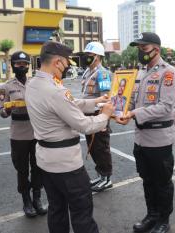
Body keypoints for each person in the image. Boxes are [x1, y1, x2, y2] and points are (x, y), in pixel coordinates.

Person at [25, 41, 115, 233]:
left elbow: (70, 104)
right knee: (82, 213)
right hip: (67, 165)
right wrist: (105, 115)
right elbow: (83, 124)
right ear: (57, 62)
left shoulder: (33, 84)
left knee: (56, 210)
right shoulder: (55, 90)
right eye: (66, 64)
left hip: (45, 161)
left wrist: (96, 102)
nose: (67, 68)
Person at [116, 32, 175, 233]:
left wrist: (134, 113)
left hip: (159, 139)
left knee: (162, 183)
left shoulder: (168, 73)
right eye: (139, 49)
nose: (141, 52)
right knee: (147, 180)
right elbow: (132, 100)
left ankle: (163, 219)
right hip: (141, 138)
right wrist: (123, 111)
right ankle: (151, 215)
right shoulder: (141, 73)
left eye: (144, 49)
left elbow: (165, 106)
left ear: (156, 50)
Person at [0, 51, 47, 217]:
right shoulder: (7, 87)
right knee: (22, 170)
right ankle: (26, 201)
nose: (22, 67)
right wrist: (8, 109)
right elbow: (2, 113)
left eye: (25, 64)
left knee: (38, 167)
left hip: (36, 133)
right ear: (13, 65)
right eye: (19, 64)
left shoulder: (35, 83)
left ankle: (37, 199)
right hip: (18, 136)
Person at [81, 41, 114, 192]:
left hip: (97, 116)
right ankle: (101, 176)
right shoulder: (87, 72)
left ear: (98, 57)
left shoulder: (103, 74)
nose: (86, 57)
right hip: (88, 117)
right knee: (93, 148)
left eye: (90, 55)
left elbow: (105, 99)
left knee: (101, 148)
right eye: (86, 54)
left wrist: (102, 121)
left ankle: (106, 178)